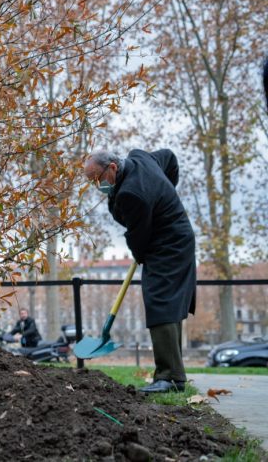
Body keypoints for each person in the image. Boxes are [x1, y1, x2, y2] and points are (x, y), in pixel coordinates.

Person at [84, 149, 196, 394]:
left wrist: (141, 253)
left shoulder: (130, 194)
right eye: (90, 181)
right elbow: (169, 157)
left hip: (168, 245)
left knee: (160, 302)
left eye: (97, 179)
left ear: (113, 167)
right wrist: (167, 192)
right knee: (167, 304)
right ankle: (174, 376)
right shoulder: (140, 157)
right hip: (177, 238)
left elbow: (138, 238)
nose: (96, 186)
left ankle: (168, 377)